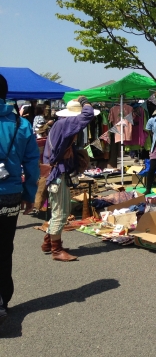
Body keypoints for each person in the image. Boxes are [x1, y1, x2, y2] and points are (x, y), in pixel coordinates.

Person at [0, 74, 40, 325]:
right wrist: (29, 195)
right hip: (11, 194)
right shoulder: (20, 124)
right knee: (4, 248)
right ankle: (3, 298)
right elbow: (32, 164)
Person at [42, 97, 98, 261]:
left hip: (58, 172)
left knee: (59, 212)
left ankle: (48, 243)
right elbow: (87, 115)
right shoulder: (65, 124)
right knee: (61, 213)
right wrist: (85, 102)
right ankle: (56, 250)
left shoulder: (60, 124)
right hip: (57, 174)